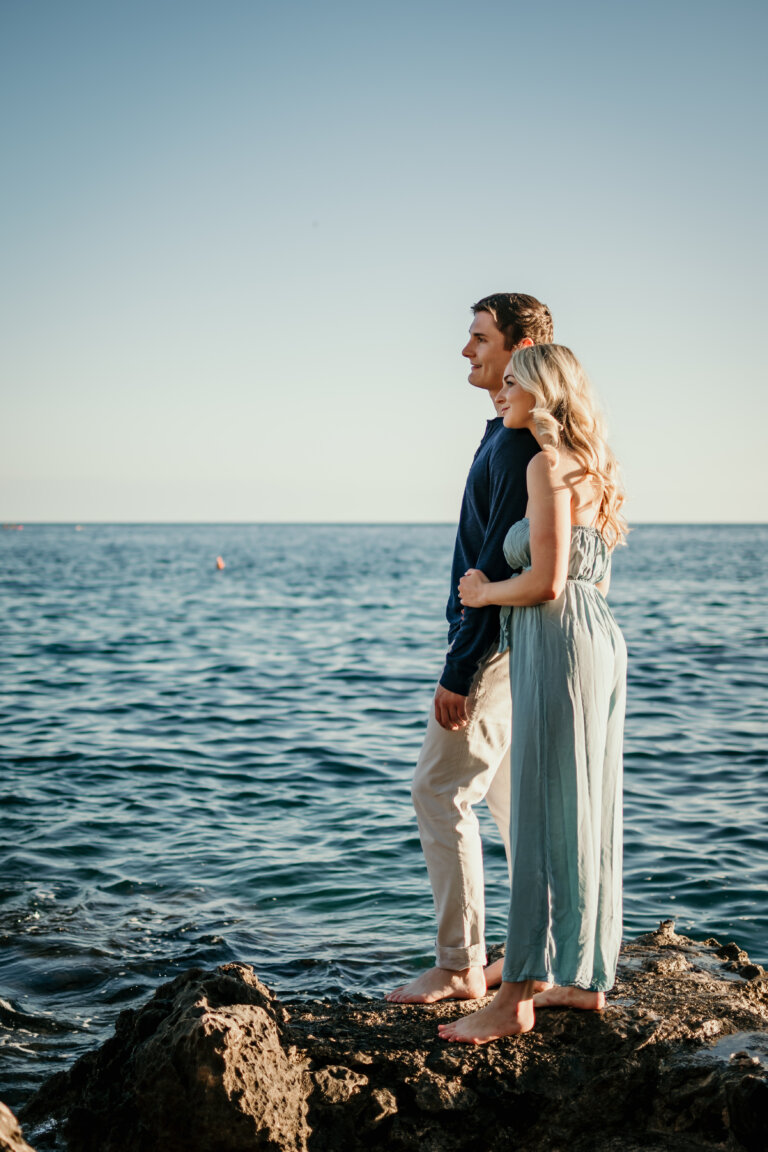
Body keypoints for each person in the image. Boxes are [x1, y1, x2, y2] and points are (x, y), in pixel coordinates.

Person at [437, 343, 627, 1044]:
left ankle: (513, 997)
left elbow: (545, 581)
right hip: (597, 638)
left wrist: (488, 591)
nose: (503, 390)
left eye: (514, 380)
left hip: (557, 642)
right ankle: (585, 981)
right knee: (586, 811)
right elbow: (588, 582)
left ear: (543, 391)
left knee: (543, 814)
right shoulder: (595, 469)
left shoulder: (547, 466)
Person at [386, 293, 554, 1005]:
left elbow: (494, 564)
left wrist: (461, 667)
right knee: (513, 807)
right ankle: (533, 958)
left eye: (479, 338)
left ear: (518, 348)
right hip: (512, 652)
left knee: (439, 790)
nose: (467, 351)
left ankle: (459, 963)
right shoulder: (505, 436)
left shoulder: (516, 445)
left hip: (491, 654)